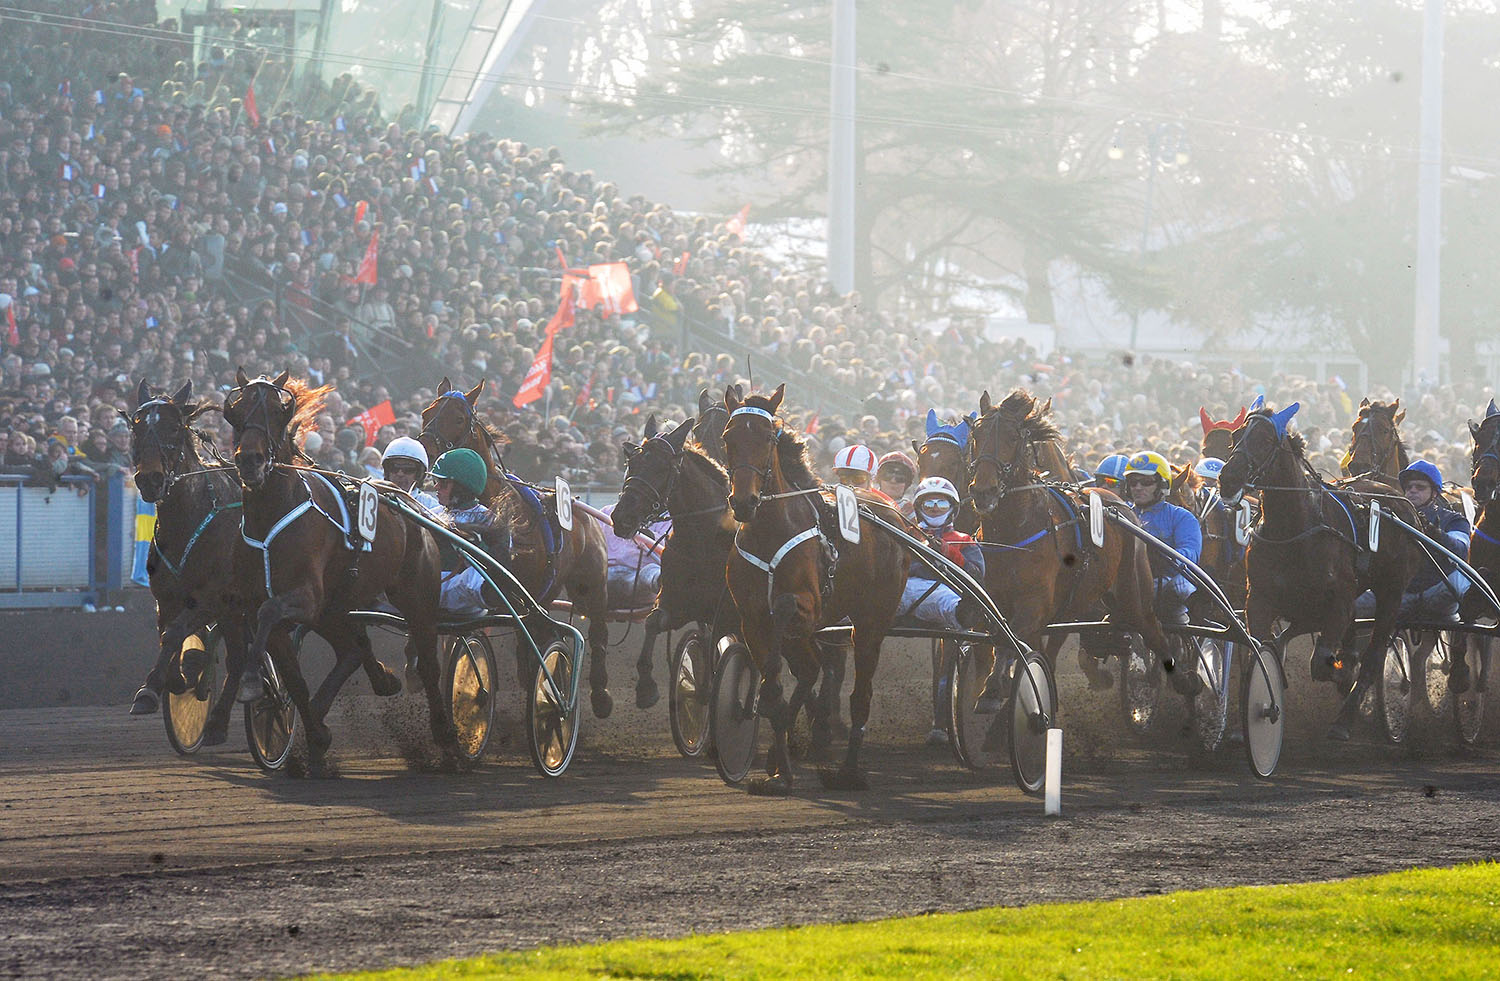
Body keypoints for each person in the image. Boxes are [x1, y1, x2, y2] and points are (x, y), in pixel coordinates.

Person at [1353, 460, 1473, 689]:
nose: (1413, 492)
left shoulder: (1454, 520)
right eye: (1409, 488)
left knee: (1462, 585)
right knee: (1351, 605)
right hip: (1400, 596)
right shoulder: (1393, 520)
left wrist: (1433, 531)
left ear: (1435, 493)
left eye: (1420, 487)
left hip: (1439, 593)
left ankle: (1460, 657)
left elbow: (1459, 551)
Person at [900, 476, 986, 745]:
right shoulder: (904, 534)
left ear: (952, 508)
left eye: (940, 503)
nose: (935, 508)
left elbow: (977, 576)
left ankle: (941, 724)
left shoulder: (963, 539)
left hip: (943, 598)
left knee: (948, 600)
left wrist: (951, 554)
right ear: (919, 506)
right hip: (903, 592)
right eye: (929, 503)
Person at [1123, 451, 1203, 696]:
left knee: (1174, 589)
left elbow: (1190, 554)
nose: (1138, 487)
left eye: (1145, 482)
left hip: (1170, 580)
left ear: (1162, 485)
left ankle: (1176, 645)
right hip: (1134, 585)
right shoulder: (1122, 514)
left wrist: (1162, 554)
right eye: (1133, 482)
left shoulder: (1180, 517)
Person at [428, 448, 510, 617]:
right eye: (436, 480)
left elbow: (501, 556)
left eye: (443, 483)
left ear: (461, 487)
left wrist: (470, 539)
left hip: (465, 596)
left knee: (473, 578)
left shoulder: (486, 518)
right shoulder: (432, 513)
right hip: (430, 589)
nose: (435, 486)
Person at [380, 436, 437, 508]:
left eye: (408, 469)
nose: (400, 474)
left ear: (419, 474)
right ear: (387, 472)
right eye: (394, 468)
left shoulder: (431, 506)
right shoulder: (375, 500)